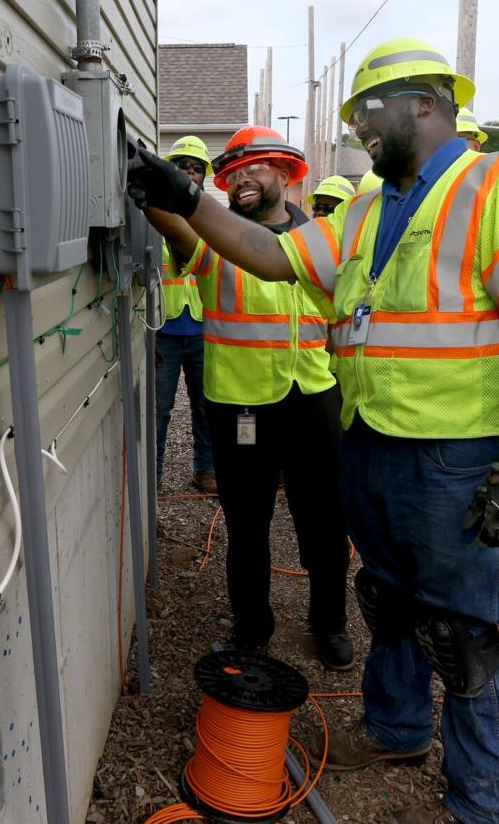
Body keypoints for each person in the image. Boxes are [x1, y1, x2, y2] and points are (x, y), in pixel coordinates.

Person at [129, 37, 499, 824]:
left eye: (369, 111)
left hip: (454, 454)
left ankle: (488, 799)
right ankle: (396, 729)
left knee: (459, 633)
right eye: (354, 119)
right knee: (388, 600)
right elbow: (270, 255)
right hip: (370, 436)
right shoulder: (369, 209)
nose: (359, 129)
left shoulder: (497, 181)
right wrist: (188, 196)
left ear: (426, 103)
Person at [141, 125, 355, 671]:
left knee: (325, 520)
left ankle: (329, 622)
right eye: (232, 175)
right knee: (247, 523)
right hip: (241, 406)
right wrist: (151, 187)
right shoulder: (217, 240)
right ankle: (252, 627)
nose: (241, 181)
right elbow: (173, 223)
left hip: (313, 395)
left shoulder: (322, 241)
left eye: (253, 168)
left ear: (285, 174)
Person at [155, 137, 216, 493]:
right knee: (159, 408)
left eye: (197, 167)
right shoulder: (156, 214)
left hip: (202, 329)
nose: (190, 173)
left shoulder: (211, 218)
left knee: (205, 407)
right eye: (183, 166)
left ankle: (205, 471)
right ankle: (155, 474)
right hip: (164, 329)